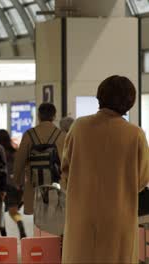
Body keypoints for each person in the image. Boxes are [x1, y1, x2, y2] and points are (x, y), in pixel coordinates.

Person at [61, 75, 149, 263]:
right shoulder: (135, 135)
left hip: (82, 215)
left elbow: (65, 170)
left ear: (100, 97)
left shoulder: (79, 127)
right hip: (119, 217)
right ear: (130, 102)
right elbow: (142, 179)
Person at [13, 103, 66, 215]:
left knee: (38, 221)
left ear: (38, 116)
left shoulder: (29, 134)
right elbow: (66, 163)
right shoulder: (61, 135)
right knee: (54, 218)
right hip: (56, 187)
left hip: (34, 185)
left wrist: (18, 181)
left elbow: (19, 161)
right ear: (54, 116)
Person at [0, 129, 27, 238]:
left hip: (3, 186)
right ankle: (19, 223)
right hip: (17, 186)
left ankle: (3, 235)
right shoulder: (16, 152)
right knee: (14, 212)